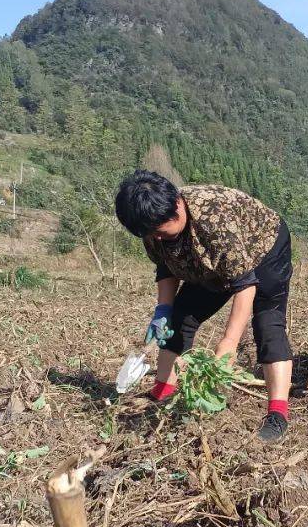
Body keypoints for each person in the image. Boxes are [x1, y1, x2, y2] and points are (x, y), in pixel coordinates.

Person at [115, 170, 295, 442]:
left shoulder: (215, 219)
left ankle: (278, 414)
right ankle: (162, 393)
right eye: (152, 235)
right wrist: (162, 310)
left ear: (177, 205)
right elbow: (167, 266)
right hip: (206, 261)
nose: (157, 239)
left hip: (263, 249)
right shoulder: (152, 226)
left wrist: (229, 342)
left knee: (268, 324)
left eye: (161, 232)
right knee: (178, 318)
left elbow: (244, 284)